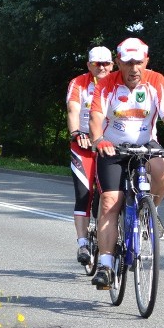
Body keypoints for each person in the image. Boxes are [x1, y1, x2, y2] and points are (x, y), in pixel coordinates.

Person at [87, 37, 164, 289]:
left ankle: (149, 214)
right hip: (113, 147)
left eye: (138, 62)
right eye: (127, 63)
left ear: (147, 61)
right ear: (118, 63)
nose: (134, 68)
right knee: (110, 202)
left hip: (146, 144)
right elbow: (95, 117)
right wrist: (99, 139)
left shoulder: (156, 81)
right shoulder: (106, 85)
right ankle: (106, 264)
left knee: (163, 170)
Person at [66, 46, 114, 266]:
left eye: (106, 63)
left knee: (111, 196)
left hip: (111, 144)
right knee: (85, 194)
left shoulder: (118, 84)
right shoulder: (79, 83)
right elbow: (73, 111)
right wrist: (77, 133)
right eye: (97, 64)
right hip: (84, 144)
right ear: (89, 65)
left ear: (113, 65)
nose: (102, 67)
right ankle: (83, 244)